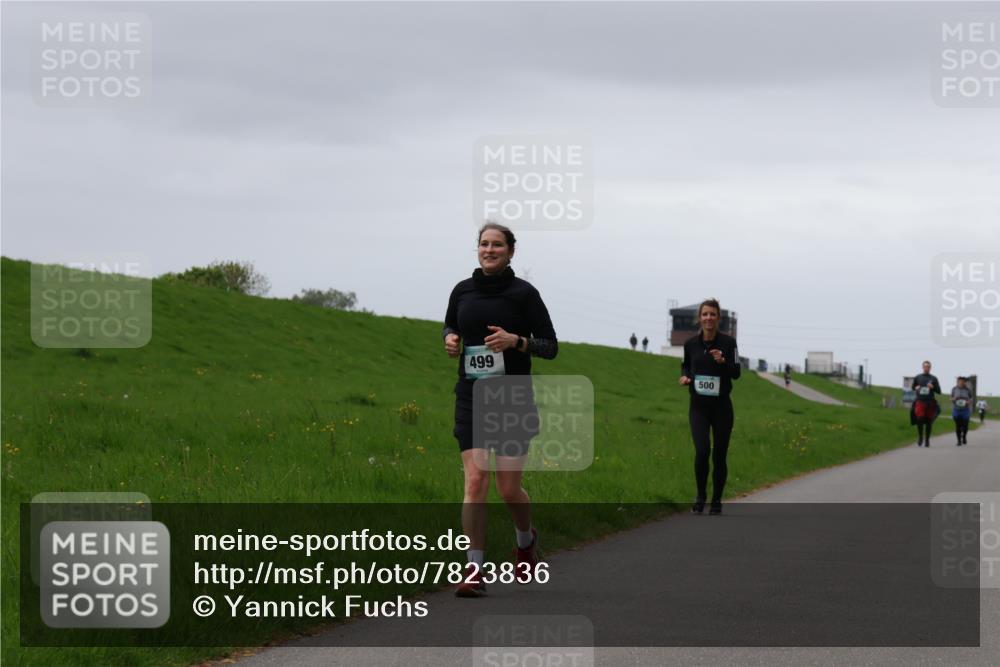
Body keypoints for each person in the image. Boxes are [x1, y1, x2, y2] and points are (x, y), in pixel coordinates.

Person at [443, 222, 558, 597]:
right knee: (476, 481)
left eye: (497, 245)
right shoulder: (462, 291)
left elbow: (550, 345)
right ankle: (474, 570)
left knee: (509, 489)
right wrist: (450, 338)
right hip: (472, 395)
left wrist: (516, 341)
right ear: (477, 249)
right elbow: (449, 323)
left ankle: (525, 543)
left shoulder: (524, 294)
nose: (489, 250)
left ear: (511, 252)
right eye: (483, 244)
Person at [680, 298, 741, 515]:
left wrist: (723, 361)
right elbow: (686, 365)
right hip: (698, 407)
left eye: (712, 314)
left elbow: (736, 373)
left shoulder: (728, 344)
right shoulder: (690, 344)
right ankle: (700, 496)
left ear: (718, 318)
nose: (708, 318)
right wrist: (685, 377)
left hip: (722, 407)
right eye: (705, 314)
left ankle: (716, 501)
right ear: (700, 318)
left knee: (719, 455)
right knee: (702, 450)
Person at [910, 360, 941, 447]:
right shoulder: (918, 377)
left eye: (928, 366)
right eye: (925, 366)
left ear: (930, 368)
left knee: (928, 422)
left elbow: (939, 391)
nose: (926, 368)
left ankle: (927, 440)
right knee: (919, 419)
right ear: (922, 367)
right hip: (920, 401)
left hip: (930, 402)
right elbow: (913, 387)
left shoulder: (934, 378)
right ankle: (920, 437)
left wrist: (933, 387)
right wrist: (916, 387)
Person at [950, 377, 973, 446]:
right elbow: (951, 398)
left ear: (965, 382)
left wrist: (969, 401)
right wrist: (953, 399)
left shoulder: (968, 390)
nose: (961, 382)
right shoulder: (954, 389)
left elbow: (971, 398)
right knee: (958, 425)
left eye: (963, 381)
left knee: (965, 426)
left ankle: (964, 437)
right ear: (957, 382)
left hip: (965, 410)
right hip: (956, 409)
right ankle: (959, 441)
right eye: (960, 381)